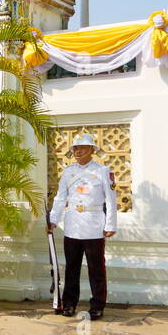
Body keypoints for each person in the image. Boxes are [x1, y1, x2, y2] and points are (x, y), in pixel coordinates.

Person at [47, 132, 117, 319]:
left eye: (82, 148)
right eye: (75, 148)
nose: (77, 151)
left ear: (92, 150)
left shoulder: (103, 171)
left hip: (94, 225)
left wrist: (110, 224)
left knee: (96, 269)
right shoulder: (68, 172)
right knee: (72, 268)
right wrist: (53, 220)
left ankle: (97, 306)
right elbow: (61, 197)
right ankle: (69, 304)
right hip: (72, 225)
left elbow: (110, 200)